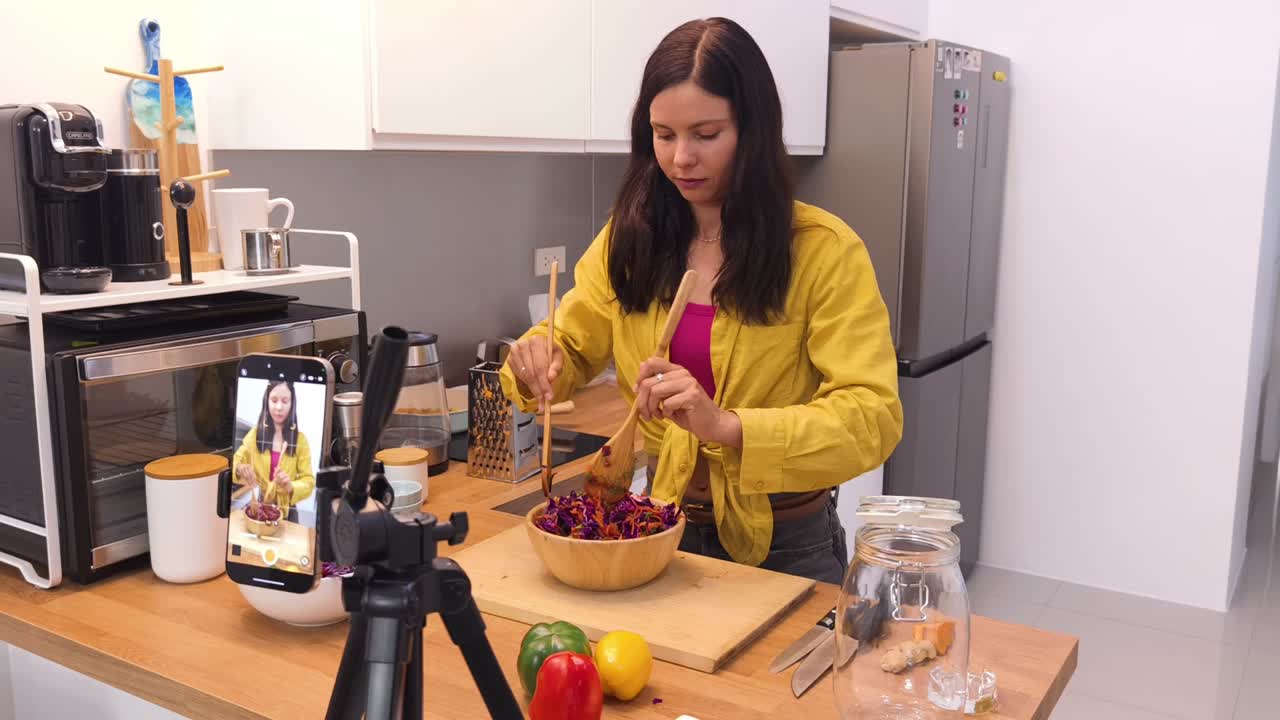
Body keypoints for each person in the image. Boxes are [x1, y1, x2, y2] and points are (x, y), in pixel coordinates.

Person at [500, 17, 903, 584]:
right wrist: (538, 360)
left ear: (753, 130)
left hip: (787, 545)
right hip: (658, 527)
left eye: (706, 135)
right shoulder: (630, 237)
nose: (681, 158)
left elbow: (873, 418)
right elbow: (569, 344)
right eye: (663, 135)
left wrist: (728, 426)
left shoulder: (824, 252)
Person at [233, 380, 315, 521]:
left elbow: (308, 481)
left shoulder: (300, 440)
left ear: (292, 404)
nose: (278, 407)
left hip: (288, 512)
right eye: (274, 400)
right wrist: (240, 468)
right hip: (259, 507)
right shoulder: (255, 434)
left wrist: (291, 485)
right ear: (267, 402)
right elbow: (235, 461)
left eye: (285, 401)